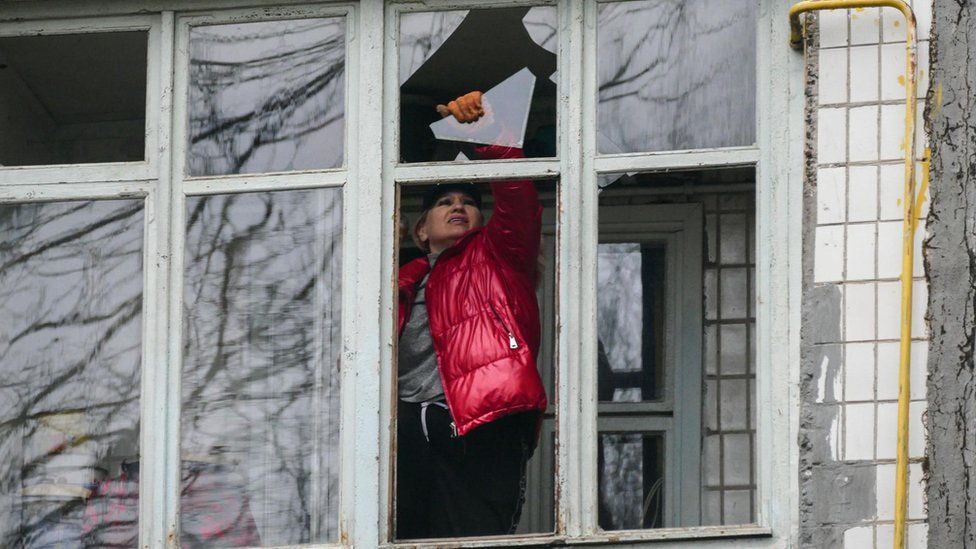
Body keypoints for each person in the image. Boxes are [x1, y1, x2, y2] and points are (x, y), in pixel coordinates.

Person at [395, 91, 547, 539]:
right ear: (421, 230)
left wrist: (490, 136)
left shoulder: (498, 256)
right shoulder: (401, 282)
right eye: (445, 203)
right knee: (403, 537)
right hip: (406, 427)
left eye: (468, 201)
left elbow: (519, 203)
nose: (458, 206)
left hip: (481, 421)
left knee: (477, 535)